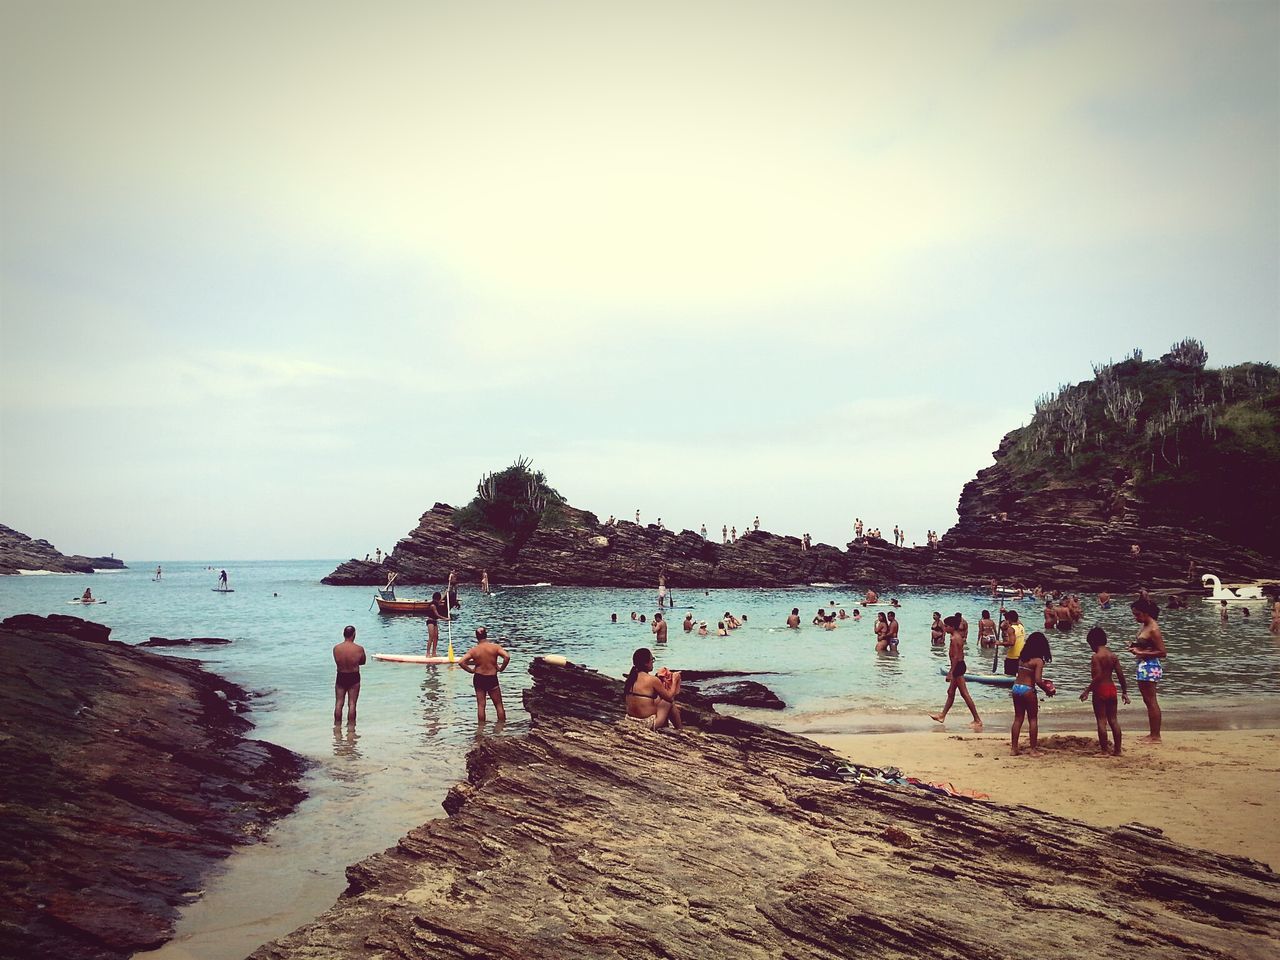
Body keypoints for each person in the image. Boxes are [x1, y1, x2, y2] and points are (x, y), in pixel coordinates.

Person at [1080, 626, 1130, 755]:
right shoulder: (1113, 656)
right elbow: (1120, 674)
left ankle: (1104, 751)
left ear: (1092, 642)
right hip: (1112, 689)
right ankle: (1118, 750)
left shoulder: (1096, 657)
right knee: (1113, 720)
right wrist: (1124, 692)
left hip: (1100, 690)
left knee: (1101, 721)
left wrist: (1087, 690)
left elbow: (1098, 676)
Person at [931, 615, 983, 730]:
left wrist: (951, 672)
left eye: (946, 626)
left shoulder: (955, 639)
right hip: (959, 666)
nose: (944, 628)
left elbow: (955, 657)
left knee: (965, 694)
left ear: (952, 627)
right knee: (950, 692)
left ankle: (977, 719)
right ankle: (942, 715)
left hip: (957, 667)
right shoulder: (956, 636)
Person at [1009, 631, 1055, 756]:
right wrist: (1048, 690)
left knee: (1018, 719)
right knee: (1033, 719)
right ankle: (1033, 750)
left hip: (1016, 687)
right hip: (1028, 689)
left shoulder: (1022, 658)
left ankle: (1014, 749)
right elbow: (1038, 680)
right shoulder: (1038, 661)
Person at [1129, 599, 1167, 743]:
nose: (1135, 617)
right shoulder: (1145, 625)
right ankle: (1152, 733)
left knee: (1151, 701)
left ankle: (1155, 735)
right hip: (1144, 665)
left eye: (1137, 614)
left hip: (1150, 666)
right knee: (1147, 700)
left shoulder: (1153, 629)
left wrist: (1142, 653)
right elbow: (1148, 646)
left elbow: (1162, 652)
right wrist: (1136, 647)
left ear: (1145, 613)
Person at [458, 627, 510, 723]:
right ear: (486, 635)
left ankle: (481, 729)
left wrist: (470, 670)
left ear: (476, 637)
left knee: (481, 705)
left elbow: (461, 662)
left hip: (479, 677)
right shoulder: (495, 647)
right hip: (491, 677)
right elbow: (507, 656)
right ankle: (502, 728)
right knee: (498, 704)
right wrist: (501, 668)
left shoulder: (474, 650)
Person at [623, 647, 682, 730]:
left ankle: (670, 727)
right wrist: (675, 681)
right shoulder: (652, 680)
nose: (652, 662)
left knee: (660, 700)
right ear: (646, 663)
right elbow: (669, 698)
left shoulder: (630, 678)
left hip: (630, 720)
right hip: (646, 723)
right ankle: (680, 730)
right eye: (652, 660)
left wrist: (659, 680)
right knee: (668, 703)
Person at [332, 625, 366, 726]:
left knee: (339, 703)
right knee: (352, 704)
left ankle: (337, 727)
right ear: (354, 634)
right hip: (354, 677)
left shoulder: (336, 648)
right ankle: (351, 729)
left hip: (341, 676)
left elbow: (338, 661)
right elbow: (363, 662)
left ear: (344, 634)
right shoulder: (359, 649)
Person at [999, 609, 1026, 676]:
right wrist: (1005, 612)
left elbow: (1011, 643)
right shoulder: (1021, 626)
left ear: (1009, 619)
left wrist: (999, 643)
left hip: (1012, 658)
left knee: (1009, 676)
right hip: (1021, 657)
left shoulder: (1011, 629)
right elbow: (1015, 619)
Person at [426, 592, 449, 657]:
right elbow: (437, 615)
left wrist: (446, 592)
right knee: (431, 637)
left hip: (435, 621)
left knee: (436, 637)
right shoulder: (433, 605)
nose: (439, 600)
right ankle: (427, 653)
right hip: (430, 621)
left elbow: (441, 599)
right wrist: (446, 619)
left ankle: (434, 653)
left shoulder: (437, 603)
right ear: (436, 599)